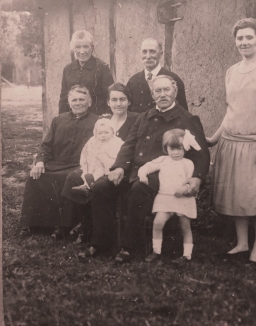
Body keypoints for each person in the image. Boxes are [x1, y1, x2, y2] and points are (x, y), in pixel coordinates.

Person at [79, 75, 210, 261]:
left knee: (138, 190)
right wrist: (118, 167)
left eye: (166, 90)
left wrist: (197, 177)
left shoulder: (187, 119)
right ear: (152, 94)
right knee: (101, 187)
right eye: (158, 91)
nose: (162, 94)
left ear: (175, 92)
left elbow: (201, 153)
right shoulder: (144, 117)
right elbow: (129, 145)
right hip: (132, 172)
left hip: (161, 175)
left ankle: (128, 247)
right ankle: (99, 243)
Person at [207, 18, 256, 265]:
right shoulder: (231, 71)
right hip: (231, 142)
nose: (244, 42)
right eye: (239, 38)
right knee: (238, 197)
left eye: (249, 37)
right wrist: (214, 138)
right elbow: (231, 111)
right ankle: (242, 243)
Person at [62, 83, 139, 243]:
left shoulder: (135, 120)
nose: (118, 104)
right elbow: (92, 145)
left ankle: (100, 237)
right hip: (98, 165)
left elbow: (134, 149)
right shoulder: (103, 121)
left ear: (129, 101)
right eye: (114, 100)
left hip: (122, 170)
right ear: (108, 102)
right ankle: (85, 224)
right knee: (73, 178)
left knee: (99, 186)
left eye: (122, 99)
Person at [20, 85, 98, 236]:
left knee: (66, 178)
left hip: (79, 165)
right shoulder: (58, 120)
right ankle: (31, 223)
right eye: (74, 100)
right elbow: (46, 145)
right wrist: (40, 162)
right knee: (35, 177)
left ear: (89, 102)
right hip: (56, 163)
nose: (78, 103)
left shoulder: (96, 121)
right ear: (69, 103)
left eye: (82, 99)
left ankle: (62, 226)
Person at [138, 129, 200, 264]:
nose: (176, 152)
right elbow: (146, 167)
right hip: (165, 198)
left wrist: (184, 189)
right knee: (158, 222)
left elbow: (191, 182)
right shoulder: (162, 160)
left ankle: (187, 255)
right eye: (172, 149)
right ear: (166, 148)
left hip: (183, 199)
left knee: (185, 226)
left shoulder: (188, 163)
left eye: (179, 148)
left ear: (185, 148)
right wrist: (142, 175)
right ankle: (156, 251)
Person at [59, 30, 114, 115]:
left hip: (96, 118)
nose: (82, 51)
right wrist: (62, 120)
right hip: (73, 119)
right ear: (73, 49)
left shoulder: (102, 68)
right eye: (78, 47)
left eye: (85, 47)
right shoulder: (68, 69)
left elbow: (110, 96)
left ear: (92, 48)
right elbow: (63, 98)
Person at [126, 38, 188, 112]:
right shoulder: (133, 81)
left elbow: (183, 114)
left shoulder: (174, 79)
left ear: (161, 54)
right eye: (144, 52)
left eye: (152, 52)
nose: (148, 56)